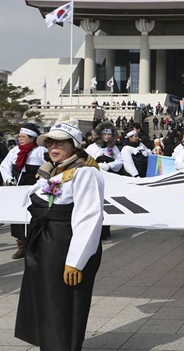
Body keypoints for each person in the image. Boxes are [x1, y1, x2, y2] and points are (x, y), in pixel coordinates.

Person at [15, 116, 104, 350]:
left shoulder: (85, 173)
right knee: (46, 299)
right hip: (45, 243)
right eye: (50, 143)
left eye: (60, 143)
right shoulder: (51, 171)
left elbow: (89, 217)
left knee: (62, 303)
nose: (54, 147)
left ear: (74, 145)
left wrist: (76, 260)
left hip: (64, 244)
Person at [0, 124, 47, 259]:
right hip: (17, 188)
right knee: (19, 218)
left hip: (34, 188)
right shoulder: (15, 151)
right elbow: (4, 166)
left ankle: (36, 245)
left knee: (34, 216)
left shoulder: (40, 151)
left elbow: (49, 167)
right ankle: (22, 245)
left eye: (23, 136)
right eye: (19, 136)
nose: (20, 139)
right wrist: (9, 179)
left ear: (32, 138)